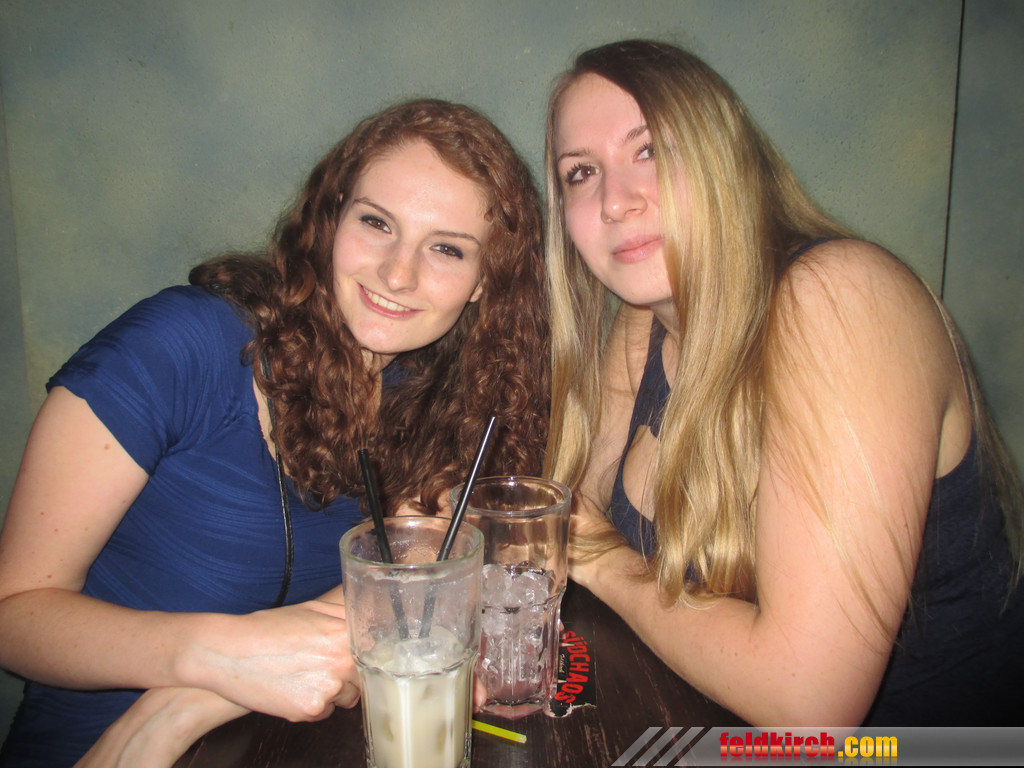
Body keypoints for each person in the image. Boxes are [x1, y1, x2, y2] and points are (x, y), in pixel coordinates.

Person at [0, 98, 549, 766]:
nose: (397, 273)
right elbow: (14, 610)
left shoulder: (430, 401)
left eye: (446, 248)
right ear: (330, 218)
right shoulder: (178, 346)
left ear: (484, 282)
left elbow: (390, 594)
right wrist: (209, 658)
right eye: (376, 222)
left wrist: (187, 703)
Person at [543, 39, 1024, 726]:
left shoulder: (843, 299)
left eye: (650, 150)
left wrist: (609, 565)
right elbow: (569, 525)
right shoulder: (643, 319)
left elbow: (808, 707)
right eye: (581, 172)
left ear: (721, 156)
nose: (615, 201)